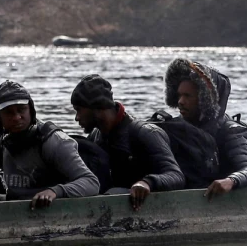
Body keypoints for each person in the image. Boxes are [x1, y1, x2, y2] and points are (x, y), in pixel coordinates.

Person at [0, 80, 100, 208]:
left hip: (51, 211)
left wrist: (56, 191)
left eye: (21, 109)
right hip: (15, 210)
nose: (16, 117)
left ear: (31, 110)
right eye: (8, 112)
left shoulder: (53, 141)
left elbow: (91, 182)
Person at [72, 74, 184, 211]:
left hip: (146, 207)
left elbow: (176, 175)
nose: (76, 118)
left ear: (97, 108)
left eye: (79, 110)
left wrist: (147, 183)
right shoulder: (96, 136)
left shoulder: (146, 134)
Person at [164, 59, 247, 198]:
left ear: (204, 99)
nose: (180, 102)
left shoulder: (231, 131)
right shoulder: (176, 127)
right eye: (179, 95)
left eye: (187, 96)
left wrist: (231, 181)